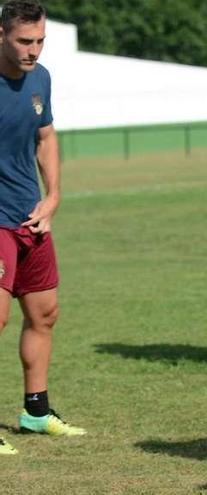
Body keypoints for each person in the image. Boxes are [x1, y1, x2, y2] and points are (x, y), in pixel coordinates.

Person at [0, 0, 87, 456]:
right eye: (23, 41)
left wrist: (52, 196)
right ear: (1, 35)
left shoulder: (41, 78)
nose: (33, 50)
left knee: (44, 313)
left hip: (29, 216)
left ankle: (36, 411)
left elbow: (46, 137)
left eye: (39, 40)